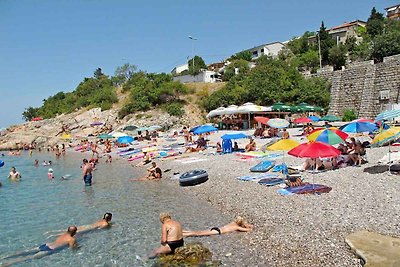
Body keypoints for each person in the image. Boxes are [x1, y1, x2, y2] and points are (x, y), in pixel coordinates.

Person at [0, 226, 77, 266]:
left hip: (45, 245)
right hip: (49, 250)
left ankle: (3, 257)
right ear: (75, 232)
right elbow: (72, 248)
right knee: (28, 257)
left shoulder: (63, 234)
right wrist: (77, 247)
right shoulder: (71, 239)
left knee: (23, 252)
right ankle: (7, 264)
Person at [183, 216, 253, 237]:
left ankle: (182, 231)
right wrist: (246, 225)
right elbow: (249, 230)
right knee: (198, 233)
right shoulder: (237, 227)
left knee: (198, 232)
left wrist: (244, 224)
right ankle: (183, 234)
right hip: (218, 231)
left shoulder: (233, 223)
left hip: (216, 228)